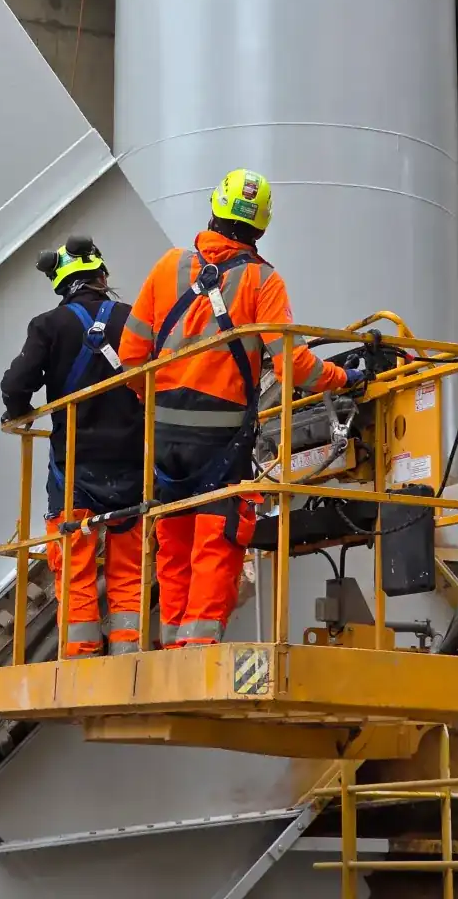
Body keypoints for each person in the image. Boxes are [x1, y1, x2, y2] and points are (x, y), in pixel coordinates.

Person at [118, 169, 363, 649]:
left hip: (165, 432)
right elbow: (294, 366)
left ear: (214, 206)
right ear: (262, 226)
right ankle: (197, 649)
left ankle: (173, 646)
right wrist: (344, 378)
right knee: (217, 534)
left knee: (173, 534)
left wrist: (164, 401)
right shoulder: (262, 280)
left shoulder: (167, 267)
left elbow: (131, 355)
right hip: (221, 436)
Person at [1, 235, 145, 658]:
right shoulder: (132, 318)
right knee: (130, 569)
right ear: (102, 274)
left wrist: (19, 411)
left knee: (74, 565)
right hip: (135, 462)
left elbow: (15, 384)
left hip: (74, 470)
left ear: (60, 282)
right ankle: (128, 656)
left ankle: (81, 658)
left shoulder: (49, 325)